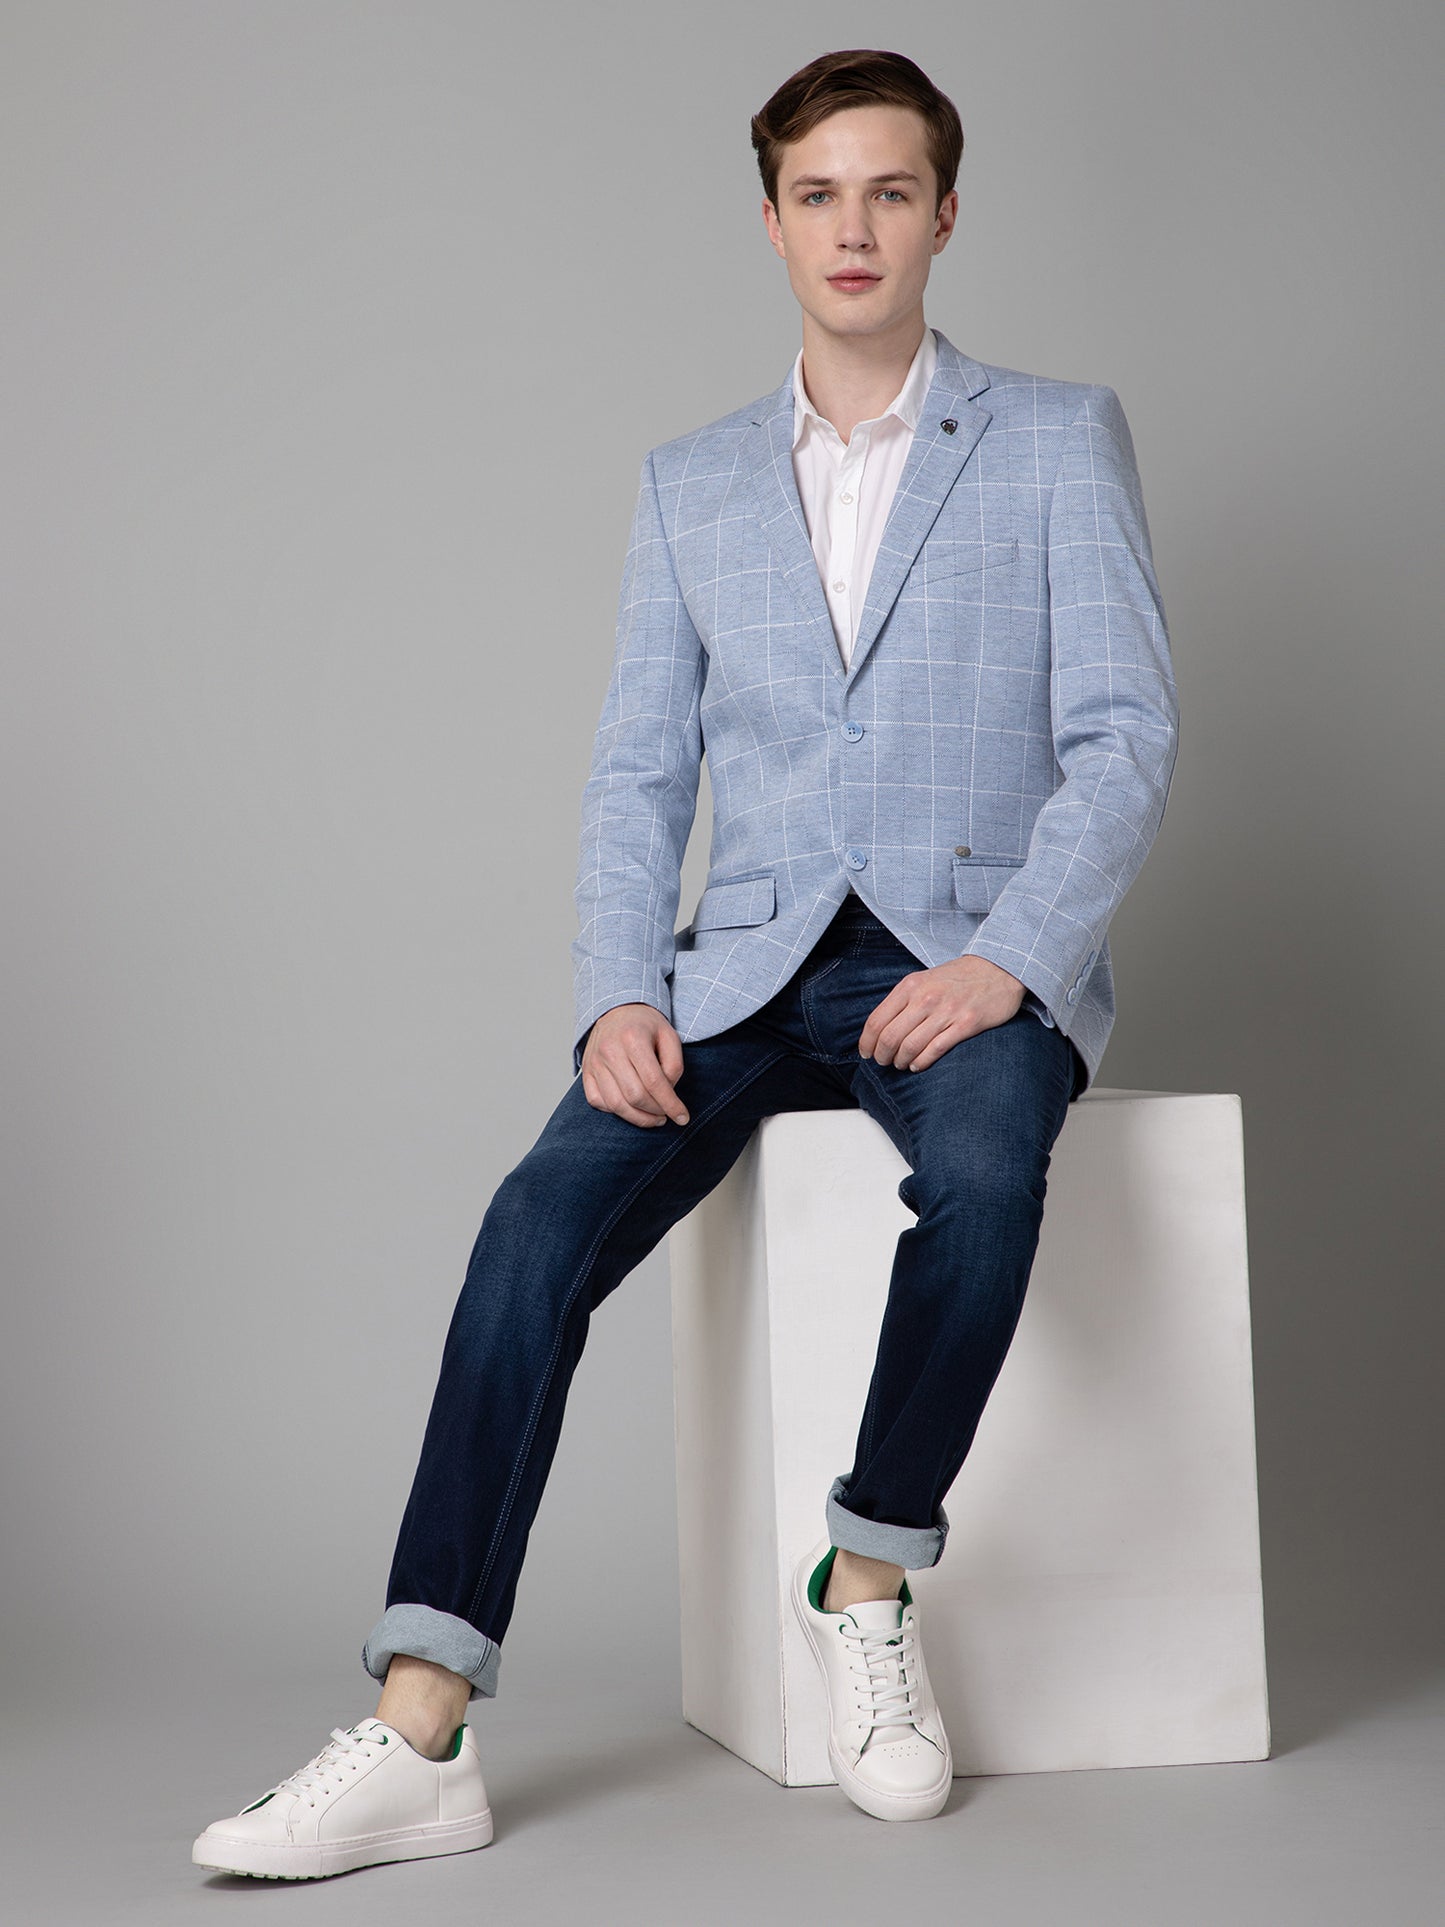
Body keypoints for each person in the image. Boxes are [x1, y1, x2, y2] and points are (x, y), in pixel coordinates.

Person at [193, 46, 1179, 1878]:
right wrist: (615, 990)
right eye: (818, 195)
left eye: (890, 191)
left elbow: (1123, 735)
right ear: (772, 222)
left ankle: (866, 1575)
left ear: (943, 215)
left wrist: (1013, 966)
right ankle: (422, 1722)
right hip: (737, 977)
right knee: (532, 1226)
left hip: (961, 957)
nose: (854, 227)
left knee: (984, 1175)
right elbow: (639, 771)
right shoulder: (690, 484)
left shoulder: (1054, 436)